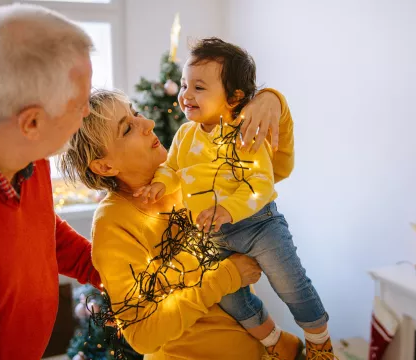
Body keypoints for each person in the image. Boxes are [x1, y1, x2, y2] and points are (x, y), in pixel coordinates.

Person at [135, 38, 335, 360]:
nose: (186, 95)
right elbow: (173, 168)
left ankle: (319, 341)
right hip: (212, 233)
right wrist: (161, 183)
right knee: (233, 300)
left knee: (290, 284)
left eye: (199, 87)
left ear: (234, 97)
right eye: (185, 84)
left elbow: (260, 183)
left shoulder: (245, 132)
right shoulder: (185, 135)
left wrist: (228, 209)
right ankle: (273, 343)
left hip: (258, 225)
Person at [58, 86, 290, 360]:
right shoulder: (113, 223)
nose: (148, 124)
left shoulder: (188, 165)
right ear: (105, 167)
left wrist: (275, 105)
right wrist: (225, 277)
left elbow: (273, 169)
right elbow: (143, 336)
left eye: (137, 114)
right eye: (127, 129)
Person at [0, 4, 102, 359]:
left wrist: (106, 267)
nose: (87, 113)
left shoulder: (30, 154)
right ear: (31, 123)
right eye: (79, 104)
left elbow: (40, 233)